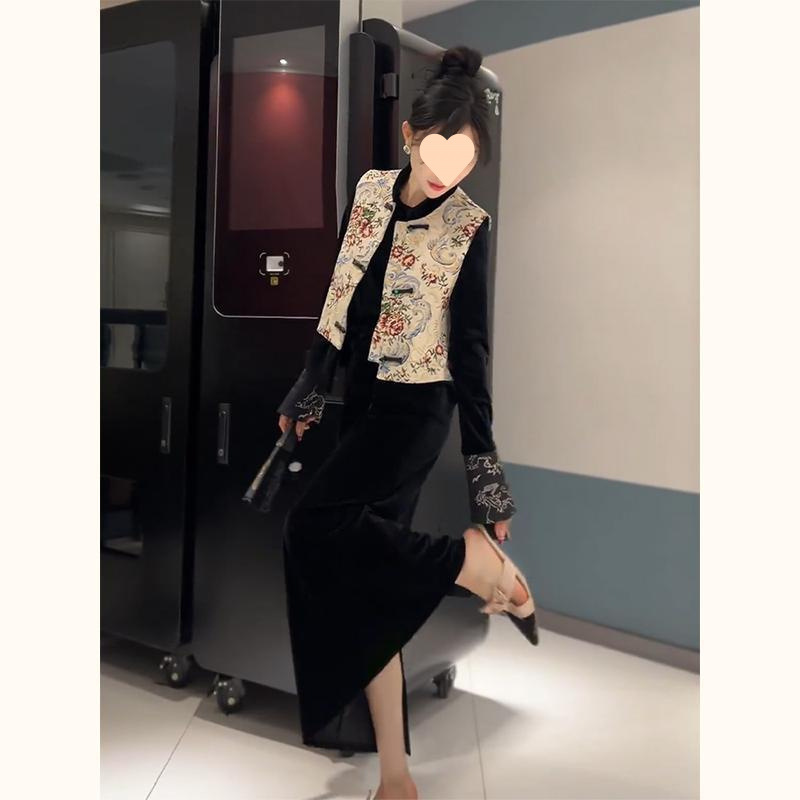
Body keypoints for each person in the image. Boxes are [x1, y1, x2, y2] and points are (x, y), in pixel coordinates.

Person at [277, 45, 538, 800]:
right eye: (436, 153)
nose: (447, 173)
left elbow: (473, 354)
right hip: (362, 400)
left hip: (419, 408)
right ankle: (395, 774)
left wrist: (487, 477)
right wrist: (309, 390)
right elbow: (339, 296)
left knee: (309, 528)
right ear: (409, 137)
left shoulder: (468, 227)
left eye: (465, 161)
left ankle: (470, 560)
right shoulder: (368, 193)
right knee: (367, 582)